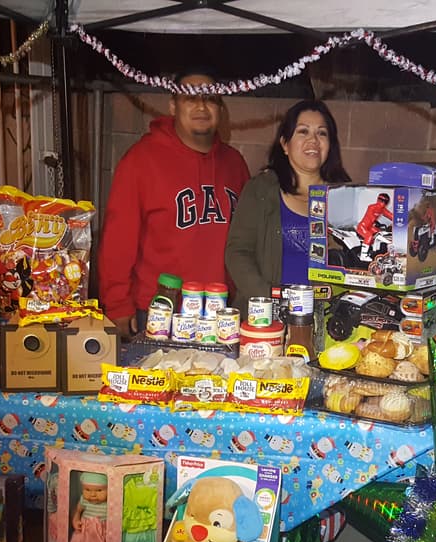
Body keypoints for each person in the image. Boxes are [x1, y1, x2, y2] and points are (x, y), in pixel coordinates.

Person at [98, 68, 250, 339]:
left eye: (210, 98)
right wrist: (118, 304)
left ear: (220, 108)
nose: (201, 106)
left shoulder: (234, 164)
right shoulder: (141, 160)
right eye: (190, 98)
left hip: (219, 313)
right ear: (173, 106)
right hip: (159, 312)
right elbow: (118, 240)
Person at [225, 100, 350, 312]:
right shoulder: (261, 189)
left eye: (322, 133)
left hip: (326, 320)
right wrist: (268, 301)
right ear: (285, 144)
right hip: (268, 318)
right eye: (303, 131)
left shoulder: (346, 196)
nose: (313, 140)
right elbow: (237, 252)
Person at [69, 471, 108, 542]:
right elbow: (77, 511)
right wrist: (75, 521)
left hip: (101, 533)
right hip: (85, 531)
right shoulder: (84, 500)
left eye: (99, 490)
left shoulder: (109, 503)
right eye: (87, 489)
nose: (93, 494)